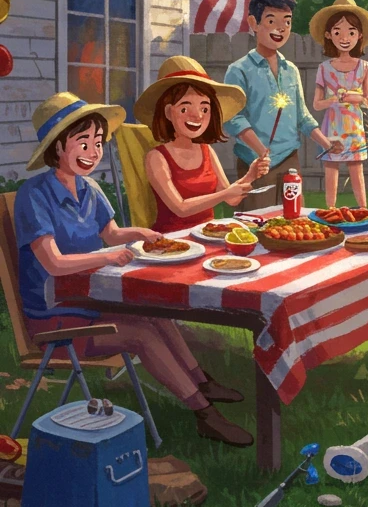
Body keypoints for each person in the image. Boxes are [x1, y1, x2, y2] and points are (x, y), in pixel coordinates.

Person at [13, 93, 252, 446]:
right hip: (56, 318)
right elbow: (54, 263)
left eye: (97, 142)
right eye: (83, 142)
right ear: (57, 147)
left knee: (155, 314)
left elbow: (111, 233)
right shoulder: (34, 195)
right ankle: (204, 413)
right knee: (141, 333)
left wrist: (138, 234)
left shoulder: (89, 188)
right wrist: (108, 257)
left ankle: (200, 380)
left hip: (89, 300)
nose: (93, 152)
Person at [223, 0, 341, 207]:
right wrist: (261, 151)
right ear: (254, 23)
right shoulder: (238, 70)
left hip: (290, 160)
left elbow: (302, 117)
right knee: (257, 223)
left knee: (293, 220)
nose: (280, 28)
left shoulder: (291, 70)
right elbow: (234, 118)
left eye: (287, 22)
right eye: (271, 20)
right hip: (255, 164)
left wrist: (326, 143)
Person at [138, 56, 269, 233]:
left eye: (204, 108)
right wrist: (225, 194)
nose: (197, 116)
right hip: (173, 241)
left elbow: (231, 198)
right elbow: (180, 208)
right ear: (168, 112)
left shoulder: (206, 150)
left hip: (209, 234)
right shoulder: (157, 157)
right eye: (185, 108)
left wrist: (251, 175)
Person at [310, 0, 368, 209]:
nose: (345, 37)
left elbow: (367, 101)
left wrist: (348, 96)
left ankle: (363, 209)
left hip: (354, 127)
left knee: (356, 167)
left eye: (351, 32)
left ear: (360, 36)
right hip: (332, 127)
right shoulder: (324, 68)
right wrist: (333, 99)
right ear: (329, 35)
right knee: (331, 168)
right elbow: (316, 105)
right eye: (338, 32)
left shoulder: (364, 67)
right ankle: (330, 210)